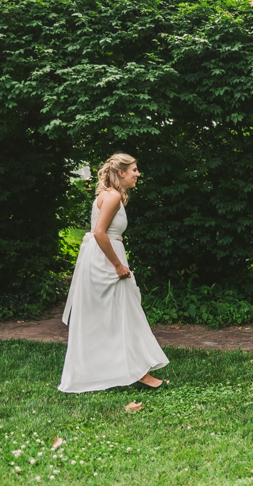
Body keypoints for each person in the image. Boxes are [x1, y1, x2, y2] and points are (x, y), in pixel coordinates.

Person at [58, 153, 169, 393]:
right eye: (134, 170)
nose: (138, 174)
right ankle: (140, 373)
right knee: (120, 315)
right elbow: (99, 233)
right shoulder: (113, 196)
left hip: (102, 257)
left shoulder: (108, 195)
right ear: (121, 173)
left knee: (114, 316)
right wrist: (118, 265)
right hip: (105, 261)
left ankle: (132, 370)